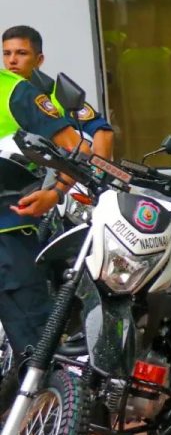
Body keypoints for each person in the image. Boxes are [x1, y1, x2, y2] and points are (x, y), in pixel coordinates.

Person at [0, 68, 82, 366]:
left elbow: (76, 148)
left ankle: (48, 409)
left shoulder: (16, 92)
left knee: (36, 353)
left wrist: (56, 193)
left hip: (8, 238)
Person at [2, 25, 113, 158]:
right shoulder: (5, 89)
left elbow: (102, 131)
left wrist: (99, 172)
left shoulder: (56, 93)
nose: (12, 60)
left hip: (47, 173)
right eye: (7, 53)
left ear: (39, 60)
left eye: (22, 53)